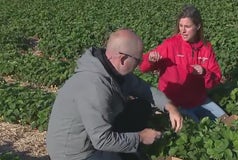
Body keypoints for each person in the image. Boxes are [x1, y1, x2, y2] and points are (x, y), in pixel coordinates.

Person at [46, 28, 183, 160]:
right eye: (138, 61)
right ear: (123, 59)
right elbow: (102, 140)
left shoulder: (113, 71)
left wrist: (169, 106)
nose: (139, 65)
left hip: (92, 139)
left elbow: (143, 89)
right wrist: (140, 137)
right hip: (76, 153)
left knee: (141, 106)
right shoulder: (94, 87)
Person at [139, 4, 227, 122]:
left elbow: (216, 78)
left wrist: (204, 72)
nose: (183, 30)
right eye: (181, 26)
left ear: (198, 26)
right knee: (196, 130)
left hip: (199, 100)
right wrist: (150, 60)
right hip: (174, 103)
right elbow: (143, 67)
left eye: (187, 26)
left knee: (227, 121)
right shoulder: (170, 45)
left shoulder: (206, 48)